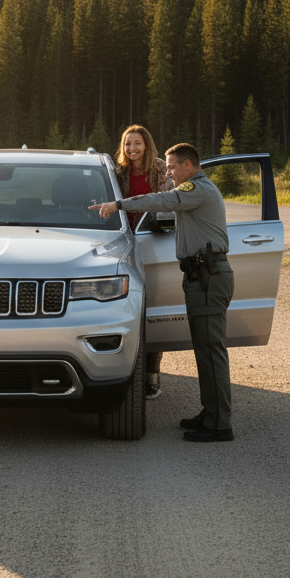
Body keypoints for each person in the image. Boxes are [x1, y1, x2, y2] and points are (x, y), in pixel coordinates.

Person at [91, 142, 235, 442]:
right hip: (201, 276)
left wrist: (118, 205)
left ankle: (220, 425)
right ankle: (210, 414)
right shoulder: (197, 188)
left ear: (188, 165)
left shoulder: (196, 189)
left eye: (171, 167)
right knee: (204, 351)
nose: (168, 172)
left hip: (208, 277)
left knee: (211, 352)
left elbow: (161, 201)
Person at [113, 124, 172, 400]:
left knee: (151, 310)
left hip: (152, 240)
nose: (132, 149)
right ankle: (120, 371)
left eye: (137, 143)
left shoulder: (160, 169)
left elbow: (168, 201)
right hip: (123, 244)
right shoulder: (118, 172)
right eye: (128, 144)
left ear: (146, 145)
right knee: (128, 309)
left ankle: (152, 374)